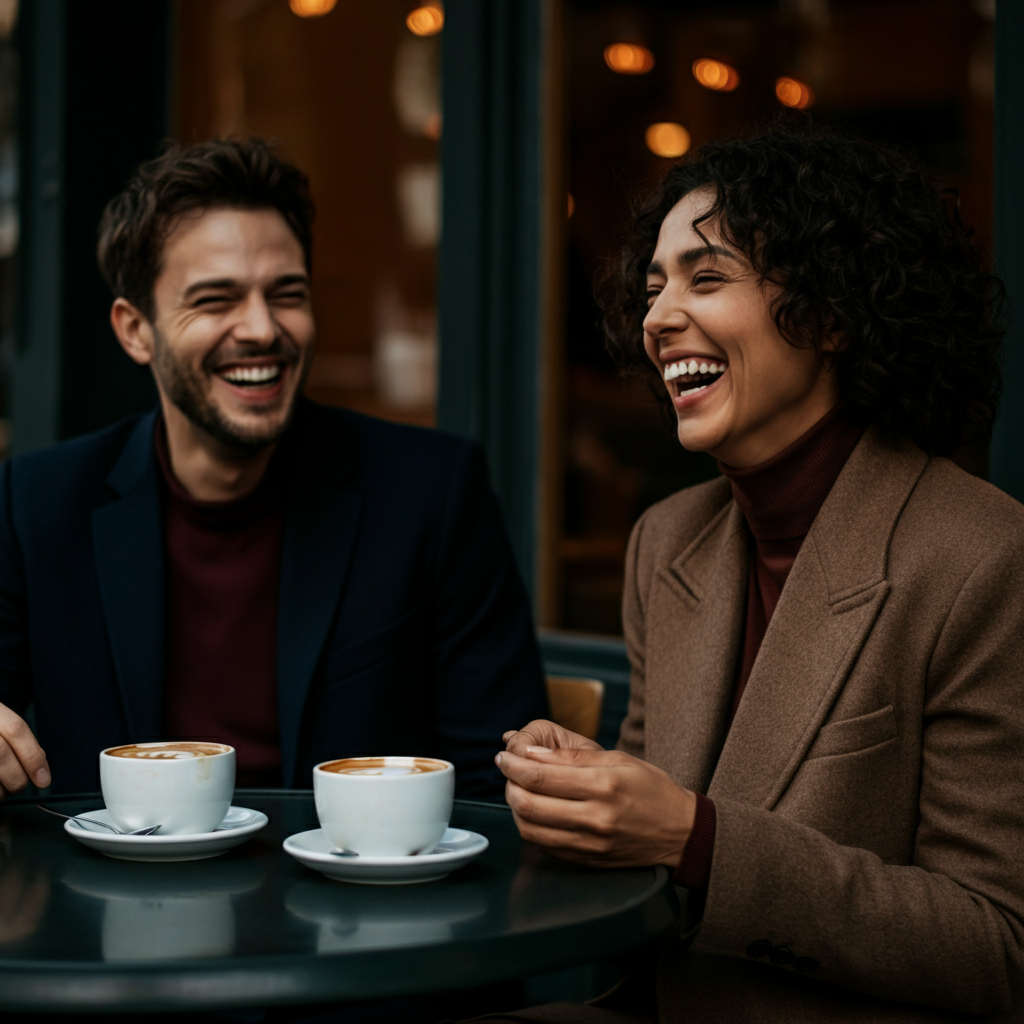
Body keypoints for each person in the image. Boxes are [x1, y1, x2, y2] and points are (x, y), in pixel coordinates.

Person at [485, 123, 1024, 1023]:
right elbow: (655, 845)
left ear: (832, 314)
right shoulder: (666, 541)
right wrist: (588, 799)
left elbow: (997, 947)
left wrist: (692, 836)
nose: (657, 317)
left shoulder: (981, 558)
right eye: (653, 287)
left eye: (707, 276)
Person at [0, 136, 547, 800]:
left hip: (358, 897)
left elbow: (500, 781)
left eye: (286, 293)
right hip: (112, 898)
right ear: (135, 330)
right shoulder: (36, 504)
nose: (261, 328)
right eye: (215, 300)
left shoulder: (430, 492)